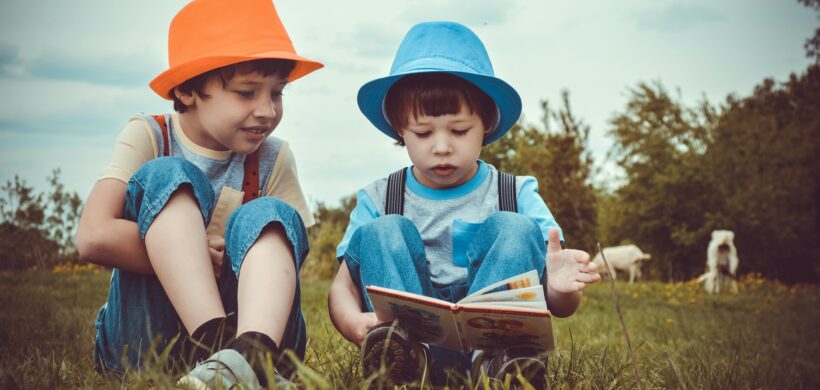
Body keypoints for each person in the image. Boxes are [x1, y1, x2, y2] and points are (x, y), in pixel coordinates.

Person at [327, 21, 601, 387]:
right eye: (423, 133)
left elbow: (559, 304)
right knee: (383, 231)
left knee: (516, 227)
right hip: (411, 341)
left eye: (459, 131)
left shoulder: (515, 192)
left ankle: (504, 367)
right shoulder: (380, 197)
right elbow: (341, 287)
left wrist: (560, 291)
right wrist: (351, 322)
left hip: (494, 343)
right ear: (399, 128)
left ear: (486, 123)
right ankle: (402, 364)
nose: (442, 146)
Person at [75, 0, 322, 387]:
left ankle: (252, 356)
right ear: (188, 89)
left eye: (277, 94)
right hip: (146, 341)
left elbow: (286, 259)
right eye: (246, 93)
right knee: (167, 175)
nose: (267, 111)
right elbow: (93, 236)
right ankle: (219, 346)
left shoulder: (274, 156)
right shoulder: (151, 135)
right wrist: (191, 254)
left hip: (255, 329)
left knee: (271, 215)